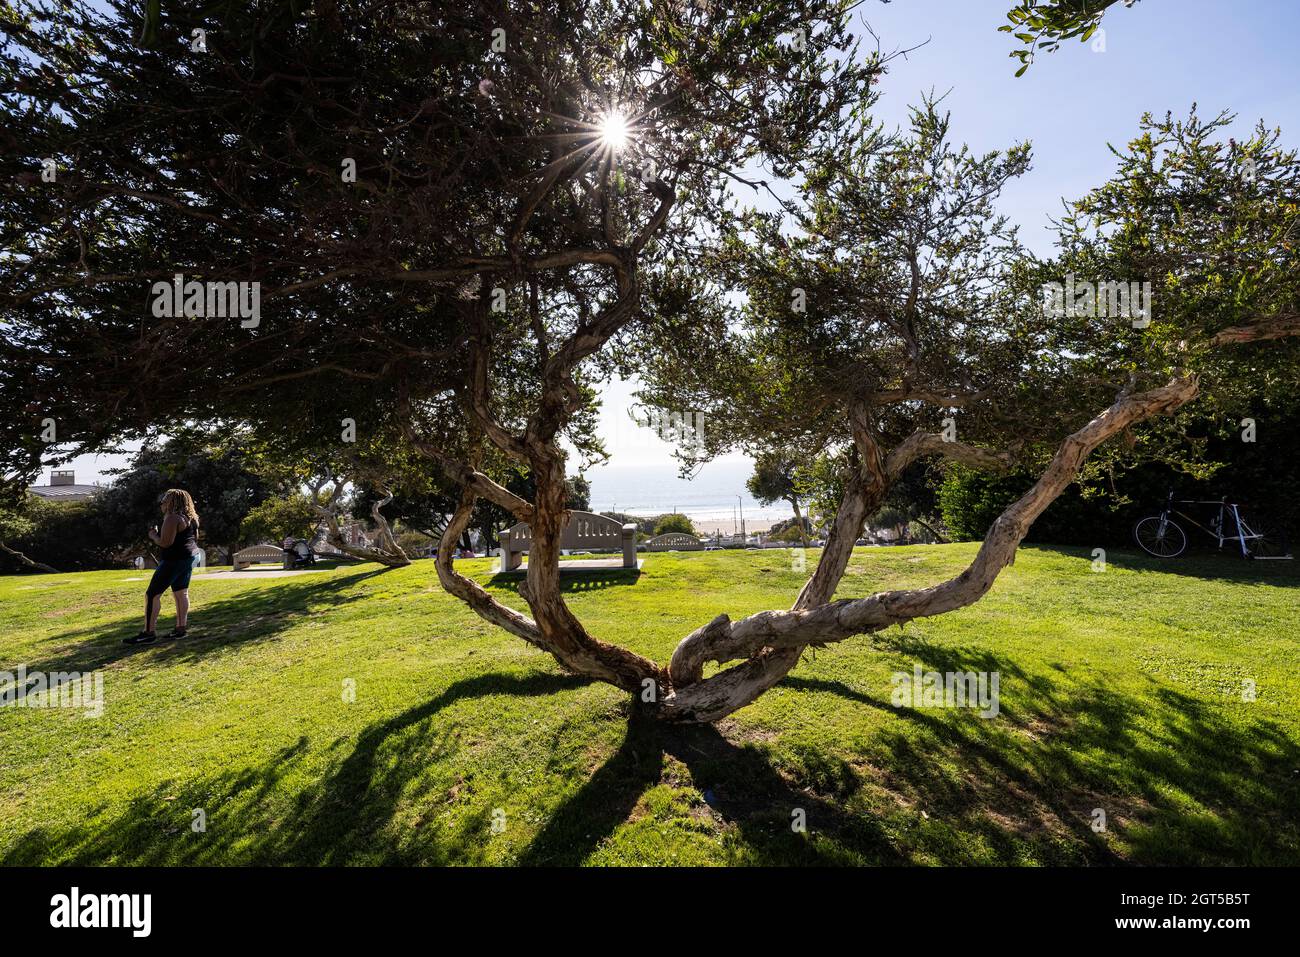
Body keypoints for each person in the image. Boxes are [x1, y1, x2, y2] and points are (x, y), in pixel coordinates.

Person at [125, 489, 202, 644]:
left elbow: (166, 543)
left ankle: (148, 633)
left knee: (152, 595)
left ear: (172, 502)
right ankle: (181, 629)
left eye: (165, 499)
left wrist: (153, 535)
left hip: (174, 560)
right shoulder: (191, 517)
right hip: (190, 557)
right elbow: (195, 538)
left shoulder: (172, 517)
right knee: (181, 593)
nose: (162, 503)